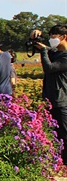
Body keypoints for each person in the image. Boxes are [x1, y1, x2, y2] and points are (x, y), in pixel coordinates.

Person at [31, 25, 67, 164]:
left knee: (64, 134)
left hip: (62, 100)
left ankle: (65, 163)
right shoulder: (56, 52)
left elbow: (49, 68)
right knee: (53, 133)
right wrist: (36, 38)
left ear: (64, 37)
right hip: (50, 98)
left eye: (54, 36)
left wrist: (45, 50)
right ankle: (57, 161)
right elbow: (41, 49)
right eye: (50, 36)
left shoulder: (64, 56)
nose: (52, 39)